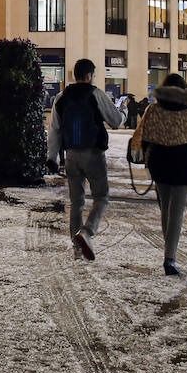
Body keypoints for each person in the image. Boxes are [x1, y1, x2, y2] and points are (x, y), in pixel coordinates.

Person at [47, 58, 125, 261]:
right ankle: (87, 232)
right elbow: (115, 121)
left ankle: (77, 248)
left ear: (74, 75)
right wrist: (124, 113)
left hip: (70, 155)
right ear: (90, 75)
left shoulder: (61, 97)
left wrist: (52, 157)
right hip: (93, 154)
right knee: (101, 197)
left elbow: (54, 130)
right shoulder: (96, 94)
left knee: (76, 202)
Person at [135, 74, 187, 276]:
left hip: (159, 163)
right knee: (176, 212)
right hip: (182, 163)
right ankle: (170, 258)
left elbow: (144, 136)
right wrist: (183, 134)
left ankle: (169, 253)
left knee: (165, 209)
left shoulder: (153, 110)